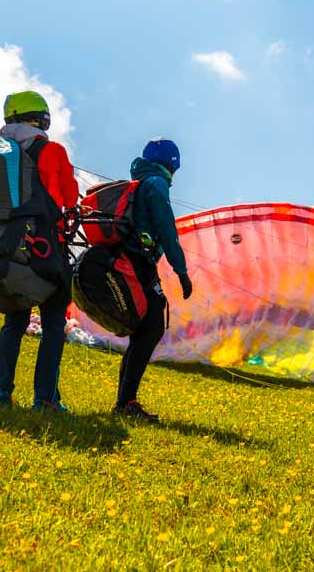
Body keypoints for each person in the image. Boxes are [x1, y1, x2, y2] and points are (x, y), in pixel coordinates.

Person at [0, 91, 79, 410]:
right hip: (45, 248)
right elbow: (70, 198)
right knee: (54, 321)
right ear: (40, 119)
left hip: (9, 246)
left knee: (14, 321)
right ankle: (45, 398)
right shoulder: (52, 150)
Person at [113, 137, 193, 422]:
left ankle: (124, 401)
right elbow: (166, 229)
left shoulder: (140, 181)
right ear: (172, 165)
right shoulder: (157, 185)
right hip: (139, 262)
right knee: (151, 329)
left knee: (144, 330)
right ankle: (126, 403)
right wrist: (182, 272)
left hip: (130, 260)